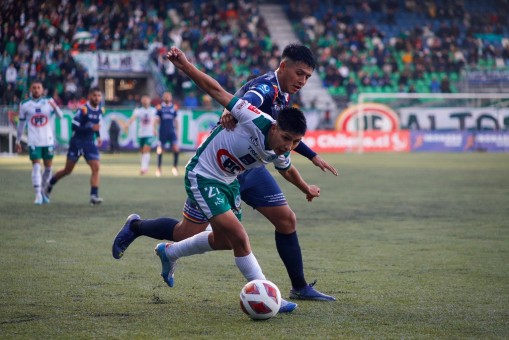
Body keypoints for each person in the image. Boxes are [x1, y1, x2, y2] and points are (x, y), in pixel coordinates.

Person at [112, 44, 337, 301]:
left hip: (247, 168)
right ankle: (138, 227)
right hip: (216, 168)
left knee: (285, 220)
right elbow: (240, 99)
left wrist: (311, 160)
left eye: (308, 77)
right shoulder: (266, 89)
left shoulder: (284, 97)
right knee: (188, 234)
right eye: (300, 73)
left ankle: (299, 286)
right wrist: (229, 109)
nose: (303, 81)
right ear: (283, 67)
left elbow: (284, 137)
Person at [44, 87, 104, 205]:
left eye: (98, 96)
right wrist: (90, 128)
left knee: (96, 167)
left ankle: (94, 195)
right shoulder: (83, 110)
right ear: (89, 96)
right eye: (94, 95)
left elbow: (96, 125)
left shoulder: (100, 110)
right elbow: (74, 126)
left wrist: (98, 136)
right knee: (68, 170)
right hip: (77, 143)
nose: (97, 98)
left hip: (89, 144)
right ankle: (50, 184)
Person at [16, 80, 63, 204]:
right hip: (34, 141)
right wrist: (18, 140)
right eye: (34, 88)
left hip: (47, 140)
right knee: (36, 166)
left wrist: (55, 107)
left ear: (42, 90)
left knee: (48, 169)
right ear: (30, 90)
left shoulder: (49, 101)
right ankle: (37, 195)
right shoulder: (25, 104)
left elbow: (61, 116)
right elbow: (21, 124)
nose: (36, 90)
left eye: (38, 88)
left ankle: (42, 191)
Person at [123, 95, 157, 175]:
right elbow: (133, 118)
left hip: (150, 133)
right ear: (141, 101)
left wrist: (155, 129)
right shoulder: (138, 110)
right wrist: (127, 124)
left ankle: (144, 168)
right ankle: (144, 166)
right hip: (141, 134)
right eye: (143, 99)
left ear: (149, 100)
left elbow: (156, 120)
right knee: (142, 151)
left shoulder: (153, 110)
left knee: (146, 148)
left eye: (146, 99)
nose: (145, 101)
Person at [155, 92, 180, 177]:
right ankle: (158, 169)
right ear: (163, 98)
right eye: (165, 96)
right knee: (160, 150)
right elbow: (156, 119)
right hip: (162, 132)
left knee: (176, 148)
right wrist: (154, 129)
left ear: (171, 98)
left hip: (171, 131)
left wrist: (177, 131)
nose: (167, 98)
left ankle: (175, 167)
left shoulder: (174, 108)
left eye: (168, 96)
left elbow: (176, 121)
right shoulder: (159, 108)